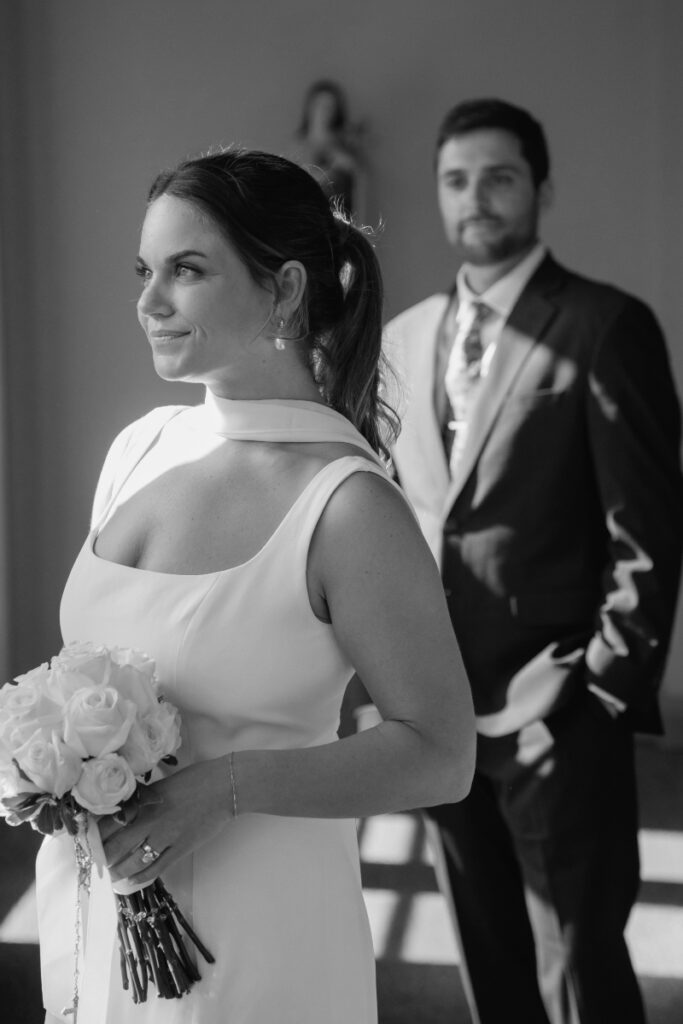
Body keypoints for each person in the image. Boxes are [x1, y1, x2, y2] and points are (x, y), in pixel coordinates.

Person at [34, 146, 476, 1024]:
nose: (149, 302)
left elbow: (441, 752)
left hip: (263, 934)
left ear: (283, 290)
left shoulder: (348, 508)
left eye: (187, 271)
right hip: (103, 911)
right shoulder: (139, 448)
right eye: (144, 272)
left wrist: (227, 784)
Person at [385, 98, 683, 1024]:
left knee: (579, 971)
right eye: (455, 180)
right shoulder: (399, 339)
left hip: (558, 708)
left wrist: (597, 693)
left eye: (498, 177)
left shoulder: (603, 325)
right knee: (487, 963)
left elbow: (648, 527)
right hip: (436, 711)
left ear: (540, 189)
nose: (474, 198)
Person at [290, 79, 366, 217]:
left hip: (338, 223)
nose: (323, 112)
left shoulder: (343, 149)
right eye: (319, 105)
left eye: (329, 107)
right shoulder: (299, 147)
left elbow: (356, 180)